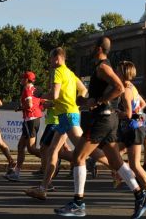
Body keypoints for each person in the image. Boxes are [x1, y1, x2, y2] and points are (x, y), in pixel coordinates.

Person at [55, 36, 146, 219]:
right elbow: (102, 94)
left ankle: (78, 203)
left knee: (79, 156)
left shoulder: (103, 67)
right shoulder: (100, 67)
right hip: (107, 119)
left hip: (102, 120)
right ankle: (141, 196)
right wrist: (86, 101)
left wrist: (100, 101)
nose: (89, 49)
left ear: (99, 48)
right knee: (116, 162)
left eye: (92, 46)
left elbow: (119, 87)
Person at [25, 47, 86, 201]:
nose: (49, 61)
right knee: (52, 151)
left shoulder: (58, 71)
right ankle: (43, 189)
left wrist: (40, 96)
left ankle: (116, 167)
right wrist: (75, 104)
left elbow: (54, 94)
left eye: (50, 58)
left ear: (57, 58)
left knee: (85, 149)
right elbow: (84, 90)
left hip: (68, 115)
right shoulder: (70, 73)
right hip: (65, 115)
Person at [115, 61, 146, 210]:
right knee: (114, 154)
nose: (115, 73)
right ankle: (122, 175)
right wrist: (137, 113)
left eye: (117, 71)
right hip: (134, 127)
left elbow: (127, 114)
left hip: (133, 128)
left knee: (135, 165)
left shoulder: (126, 90)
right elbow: (143, 104)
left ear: (123, 73)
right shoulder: (131, 87)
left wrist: (117, 114)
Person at [9, 71, 43, 181]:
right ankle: (16, 173)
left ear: (27, 80)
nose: (20, 79)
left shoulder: (28, 89)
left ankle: (51, 160)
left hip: (31, 120)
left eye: (22, 78)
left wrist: (20, 108)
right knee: (20, 147)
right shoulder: (36, 89)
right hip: (31, 119)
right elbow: (40, 103)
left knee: (31, 149)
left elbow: (29, 105)